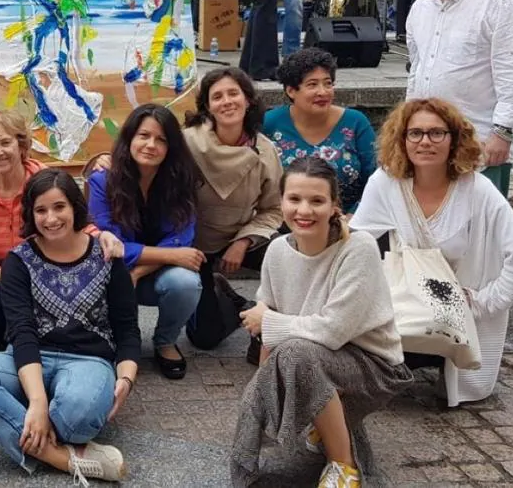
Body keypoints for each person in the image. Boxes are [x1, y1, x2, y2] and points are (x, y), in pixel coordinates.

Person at [0, 170, 140, 484]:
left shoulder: (106, 255)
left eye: (59, 207)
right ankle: (61, 457)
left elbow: (127, 327)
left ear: (75, 207)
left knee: (79, 417)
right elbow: (22, 332)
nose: (51, 218)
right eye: (40, 210)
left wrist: (126, 379)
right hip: (30, 358)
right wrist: (38, 401)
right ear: (30, 214)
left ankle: (27, 421)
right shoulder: (18, 261)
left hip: (89, 361)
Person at [351, 98, 513, 406]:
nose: (425, 141)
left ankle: (438, 363)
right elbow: (356, 245)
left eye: (436, 133)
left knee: (462, 382)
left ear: (454, 139)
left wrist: (482, 303)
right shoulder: (387, 183)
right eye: (415, 133)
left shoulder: (477, 190)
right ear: (402, 139)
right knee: (360, 369)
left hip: (462, 321)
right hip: (408, 309)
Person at [233, 157, 411, 488]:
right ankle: (324, 422)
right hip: (313, 357)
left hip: (375, 367)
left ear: (333, 206)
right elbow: (269, 337)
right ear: (281, 202)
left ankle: (343, 468)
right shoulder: (275, 252)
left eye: (317, 201)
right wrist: (264, 390)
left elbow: (332, 331)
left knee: (298, 353)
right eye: (295, 199)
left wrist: (268, 321)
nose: (304, 210)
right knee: (267, 386)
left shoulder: (358, 247)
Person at [0, 111, 124, 349]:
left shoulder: (46, 179)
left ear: (21, 144)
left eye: (6, 142)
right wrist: (8, 277)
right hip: (2, 275)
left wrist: (102, 236)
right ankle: (5, 340)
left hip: (47, 270)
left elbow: (74, 222)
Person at [406, 0, 513, 196]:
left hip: (482, 145)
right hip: (429, 144)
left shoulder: (497, 2)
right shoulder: (419, 8)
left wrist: (502, 133)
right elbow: (417, 73)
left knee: (482, 234)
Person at [87, 104, 202, 379]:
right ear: (130, 138)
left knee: (185, 282)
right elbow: (109, 243)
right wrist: (171, 256)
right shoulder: (103, 181)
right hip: (113, 273)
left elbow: (181, 240)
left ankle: (165, 341)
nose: (151, 145)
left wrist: (139, 270)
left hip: (151, 276)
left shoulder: (183, 180)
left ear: (171, 146)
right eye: (144, 135)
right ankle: (118, 339)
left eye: (161, 139)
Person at [182, 68, 282, 348]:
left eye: (233, 93)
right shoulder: (186, 142)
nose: (226, 101)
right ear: (207, 107)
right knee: (204, 338)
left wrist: (244, 240)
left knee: (289, 252)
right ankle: (230, 300)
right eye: (217, 96)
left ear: (248, 100)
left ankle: (274, 323)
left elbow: (274, 209)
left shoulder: (265, 151)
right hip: (193, 243)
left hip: (240, 236)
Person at [263, 49, 376, 212]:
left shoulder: (355, 122)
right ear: (291, 91)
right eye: (312, 84)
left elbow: (377, 180)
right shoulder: (269, 124)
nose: (323, 92)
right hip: (285, 222)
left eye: (328, 83)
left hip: (349, 223)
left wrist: (352, 218)